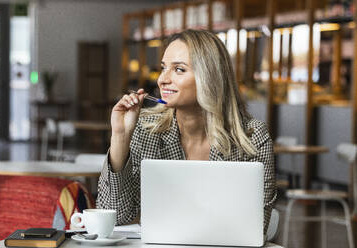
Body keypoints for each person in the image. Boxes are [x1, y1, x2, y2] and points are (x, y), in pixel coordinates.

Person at [97, 29, 276, 234]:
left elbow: (255, 227)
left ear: (210, 77)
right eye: (163, 68)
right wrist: (120, 138)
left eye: (179, 70)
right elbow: (115, 216)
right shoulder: (146, 130)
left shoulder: (252, 136)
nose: (162, 79)